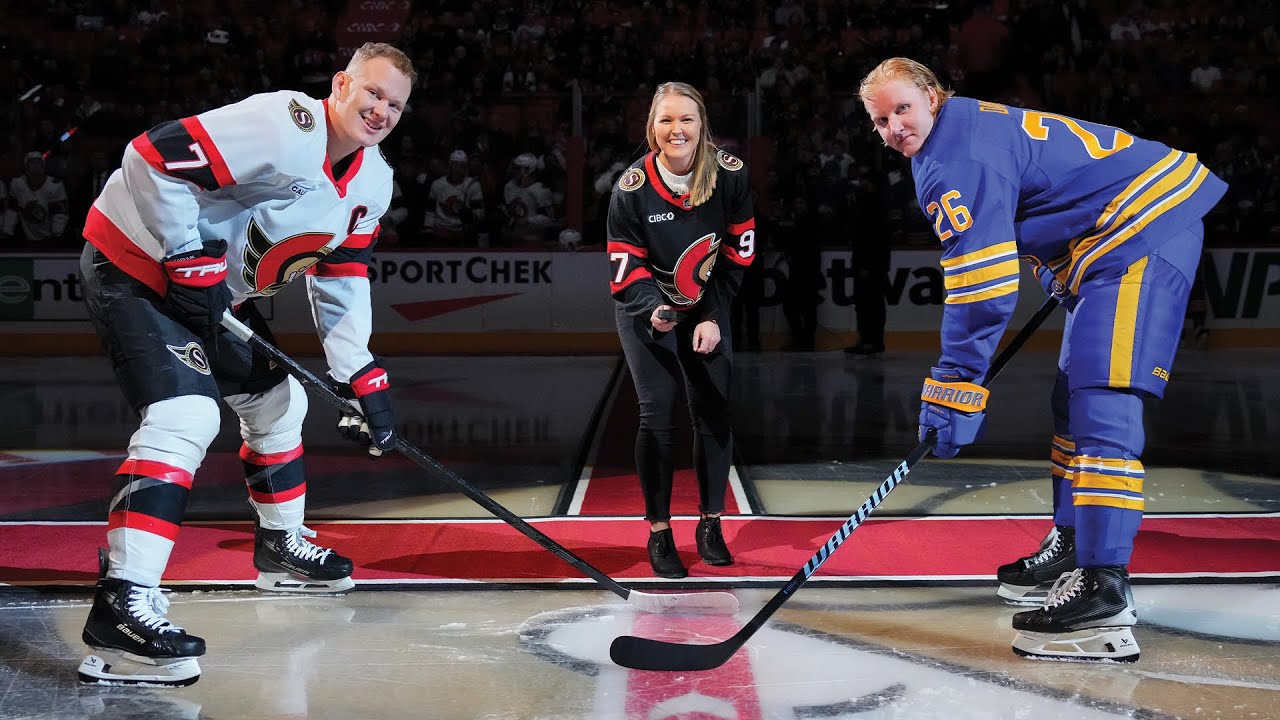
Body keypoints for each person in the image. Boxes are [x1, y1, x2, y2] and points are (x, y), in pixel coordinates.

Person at [858, 57, 1226, 662]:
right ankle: (1076, 543)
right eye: (880, 120)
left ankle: (1105, 588)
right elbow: (1047, 192)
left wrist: (953, 386)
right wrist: (1061, 269)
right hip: (1111, 237)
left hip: (1143, 231)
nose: (894, 126)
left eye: (902, 108)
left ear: (933, 97)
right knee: (1070, 402)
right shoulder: (962, 133)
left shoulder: (954, 158)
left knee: (1102, 400)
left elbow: (984, 290)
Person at [75, 42, 414, 686]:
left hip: (211, 295)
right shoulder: (286, 124)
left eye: (395, 104)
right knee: (186, 416)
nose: (381, 110)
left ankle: (279, 546)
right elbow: (151, 154)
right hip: (134, 266)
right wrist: (184, 255)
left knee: (280, 400)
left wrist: (360, 374)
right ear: (340, 84)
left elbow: (341, 273)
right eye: (372, 92)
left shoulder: (372, 179)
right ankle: (121, 604)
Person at [606, 82, 757, 579]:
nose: (677, 130)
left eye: (686, 119)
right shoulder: (630, 189)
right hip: (647, 308)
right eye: (667, 120)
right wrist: (655, 309)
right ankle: (659, 530)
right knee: (658, 415)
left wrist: (712, 313)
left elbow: (739, 254)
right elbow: (626, 269)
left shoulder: (730, 177)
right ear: (653, 128)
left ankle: (711, 524)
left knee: (713, 411)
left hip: (708, 306)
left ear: (702, 124)